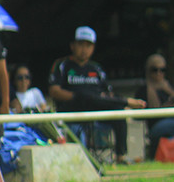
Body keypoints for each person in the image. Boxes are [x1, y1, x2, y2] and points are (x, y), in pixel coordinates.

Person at [48, 26, 145, 165]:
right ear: (73, 46)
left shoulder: (96, 69)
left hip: (97, 107)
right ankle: (127, 101)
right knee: (86, 96)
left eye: (88, 45)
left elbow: (107, 94)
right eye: (81, 44)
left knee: (118, 113)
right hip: (72, 109)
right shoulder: (62, 65)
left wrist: (97, 99)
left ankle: (121, 156)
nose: (84, 49)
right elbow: (54, 91)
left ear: (93, 48)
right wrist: (77, 97)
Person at [134, 53, 174, 158]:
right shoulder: (144, 89)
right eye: (154, 70)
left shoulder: (168, 86)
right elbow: (150, 111)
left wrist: (172, 95)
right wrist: (166, 106)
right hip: (156, 124)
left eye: (162, 70)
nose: (159, 74)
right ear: (148, 71)